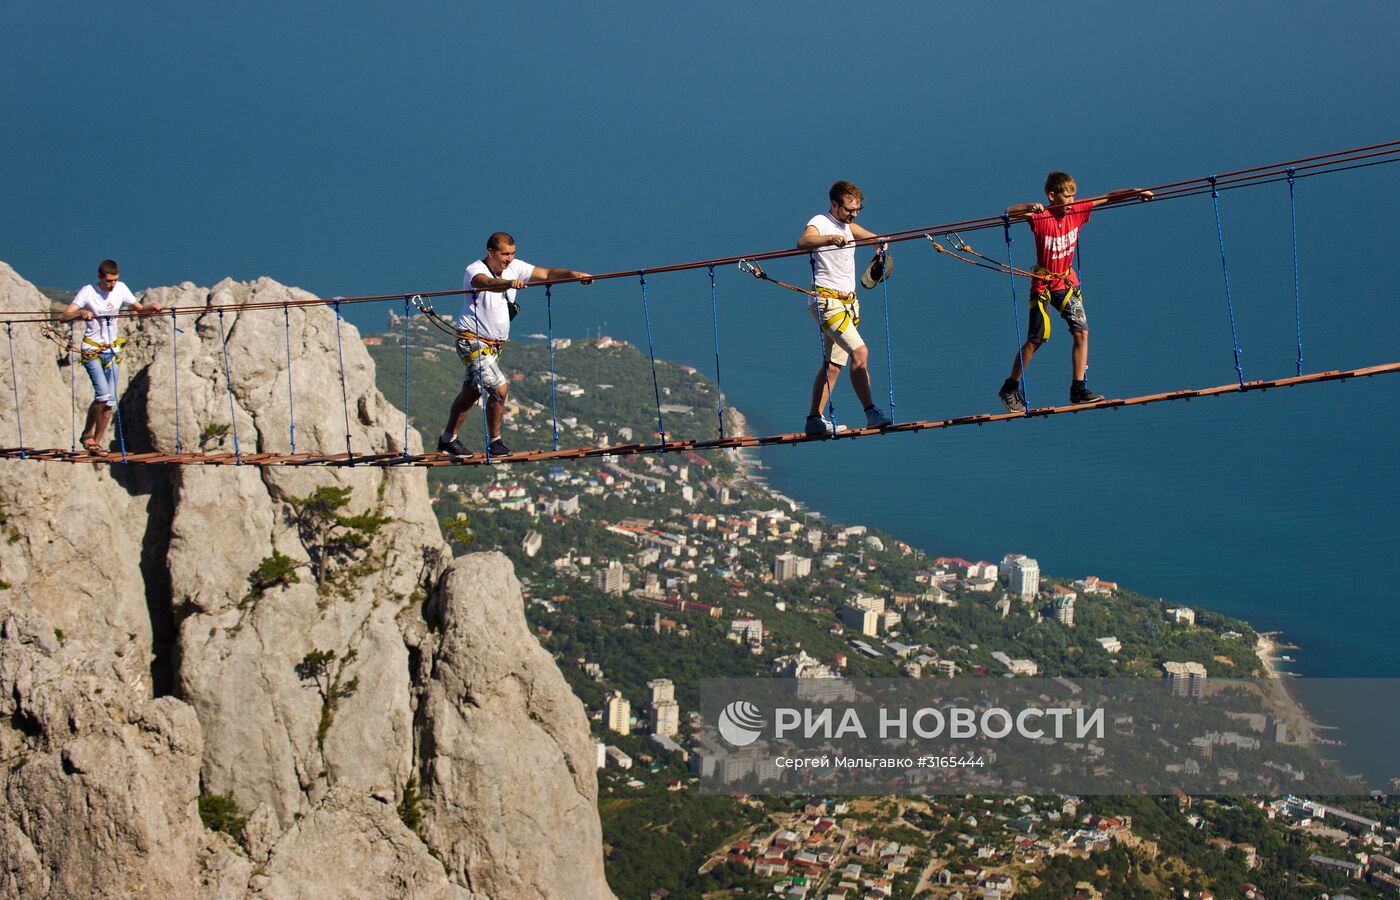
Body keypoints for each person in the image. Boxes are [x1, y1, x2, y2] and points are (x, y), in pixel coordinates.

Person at [998, 172, 1153, 412]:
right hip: (1044, 285)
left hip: (1066, 283)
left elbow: (1110, 198)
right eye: (1067, 196)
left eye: (1073, 196)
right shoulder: (1041, 217)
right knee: (1036, 339)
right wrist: (1030, 206)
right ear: (1052, 196)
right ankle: (1010, 387)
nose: (1071, 201)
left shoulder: (1079, 210)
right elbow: (1010, 211)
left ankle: (1078, 389)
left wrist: (1136, 191)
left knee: (1082, 332)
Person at [438, 232, 591, 457]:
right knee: (500, 388)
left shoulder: (515, 267)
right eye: (504, 254)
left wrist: (575, 274)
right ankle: (495, 442)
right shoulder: (474, 270)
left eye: (512, 254)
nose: (509, 259)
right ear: (490, 252)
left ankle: (447, 440)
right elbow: (487, 283)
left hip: (492, 345)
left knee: (471, 393)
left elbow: (547, 273)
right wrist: (509, 283)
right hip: (471, 340)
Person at [797, 180, 893, 436]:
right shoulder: (821, 221)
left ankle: (813, 421)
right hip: (827, 303)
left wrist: (877, 241)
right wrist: (829, 239)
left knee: (832, 366)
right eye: (849, 209)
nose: (853, 214)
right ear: (834, 204)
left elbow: (859, 232)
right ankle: (871, 412)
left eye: (857, 209)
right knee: (860, 352)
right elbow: (803, 241)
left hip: (846, 304)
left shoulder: (847, 225)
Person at [58, 259, 162, 455]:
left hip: (112, 352)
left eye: (115, 280)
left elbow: (139, 310)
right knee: (102, 396)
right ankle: (87, 435)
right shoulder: (88, 291)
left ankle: (96, 443)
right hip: (92, 350)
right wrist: (81, 313)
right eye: (108, 281)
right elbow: (64, 316)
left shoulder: (121, 289)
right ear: (100, 277)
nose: (112, 284)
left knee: (111, 402)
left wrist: (152, 309)